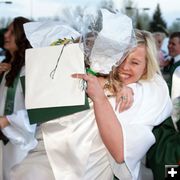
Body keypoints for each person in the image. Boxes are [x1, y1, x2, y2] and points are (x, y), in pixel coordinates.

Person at [9, 10, 172, 179]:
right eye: (121, 59)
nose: (124, 67)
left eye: (135, 62)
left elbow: (120, 152)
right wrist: (110, 85)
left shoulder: (149, 91)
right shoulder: (97, 76)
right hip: (48, 159)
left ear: (146, 66)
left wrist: (108, 91)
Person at [0, 17, 37, 180]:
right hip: (4, 143)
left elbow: (36, 112)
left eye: (11, 32)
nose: (6, 35)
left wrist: (7, 120)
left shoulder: (31, 71)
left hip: (21, 146)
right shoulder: (7, 70)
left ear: (22, 37)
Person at [146, 32, 180, 180]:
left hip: (172, 141)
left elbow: (176, 110)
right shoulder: (170, 64)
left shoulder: (177, 70)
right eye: (169, 43)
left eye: (174, 43)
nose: (169, 46)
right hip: (165, 136)